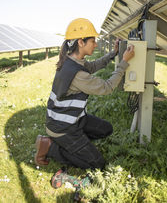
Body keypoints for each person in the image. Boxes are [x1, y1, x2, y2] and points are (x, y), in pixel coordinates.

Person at [34, 18, 134, 188]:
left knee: (106, 129)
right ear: (81, 42)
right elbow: (107, 87)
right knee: (97, 163)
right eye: (93, 41)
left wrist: (114, 54)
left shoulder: (71, 61)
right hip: (63, 128)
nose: (95, 44)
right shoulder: (77, 73)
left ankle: (76, 145)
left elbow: (92, 66)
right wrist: (124, 63)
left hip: (73, 119)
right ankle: (50, 147)